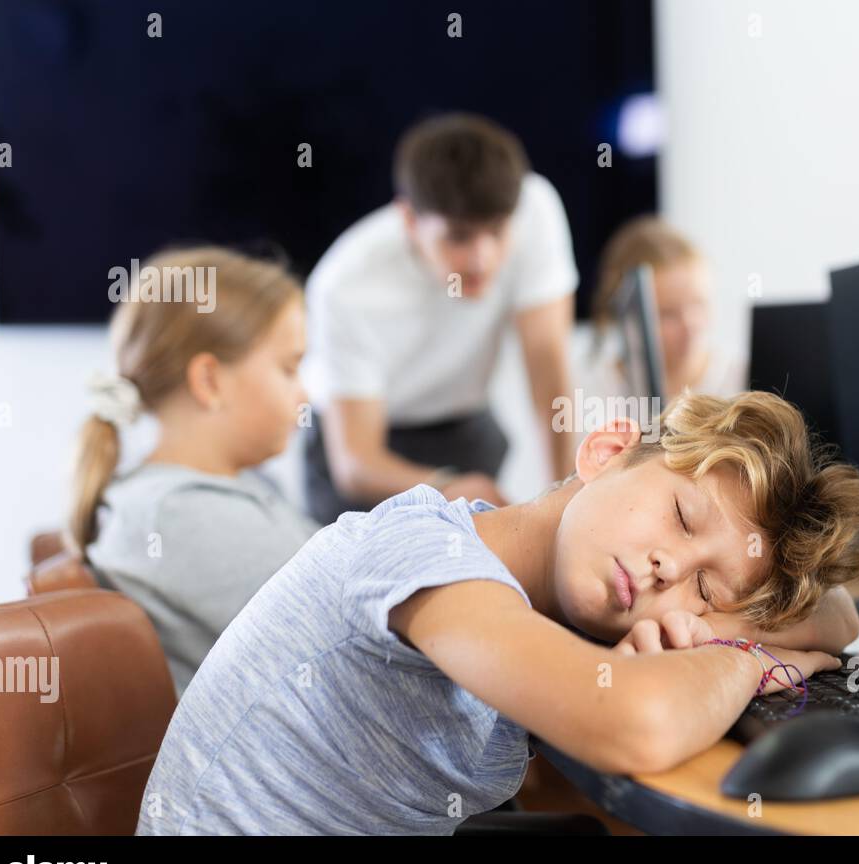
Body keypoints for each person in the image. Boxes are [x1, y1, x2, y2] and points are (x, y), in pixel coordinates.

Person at [137, 390, 859, 834]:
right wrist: (745, 654)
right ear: (604, 450)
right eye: (684, 519)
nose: (669, 570)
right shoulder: (423, 550)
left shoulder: (556, 609)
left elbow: (838, 618)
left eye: (704, 589)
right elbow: (639, 722)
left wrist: (718, 622)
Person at [302, 112, 580, 524]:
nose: (482, 259)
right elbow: (355, 463)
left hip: (465, 426)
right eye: (459, 238)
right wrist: (447, 486)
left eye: (498, 232)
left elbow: (547, 367)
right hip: (371, 451)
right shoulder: (346, 284)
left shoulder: (533, 207)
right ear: (410, 220)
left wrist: (565, 501)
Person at [69, 246, 320, 696]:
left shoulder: (234, 488)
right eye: (289, 368)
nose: (305, 396)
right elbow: (353, 622)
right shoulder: (178, 514)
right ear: (209, 381)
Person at [580, 215, 745, 412]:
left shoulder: (743, 380)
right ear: (628, 318)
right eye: (667, 313)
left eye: (699, 304)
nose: (690, 324)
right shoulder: (592, 392)